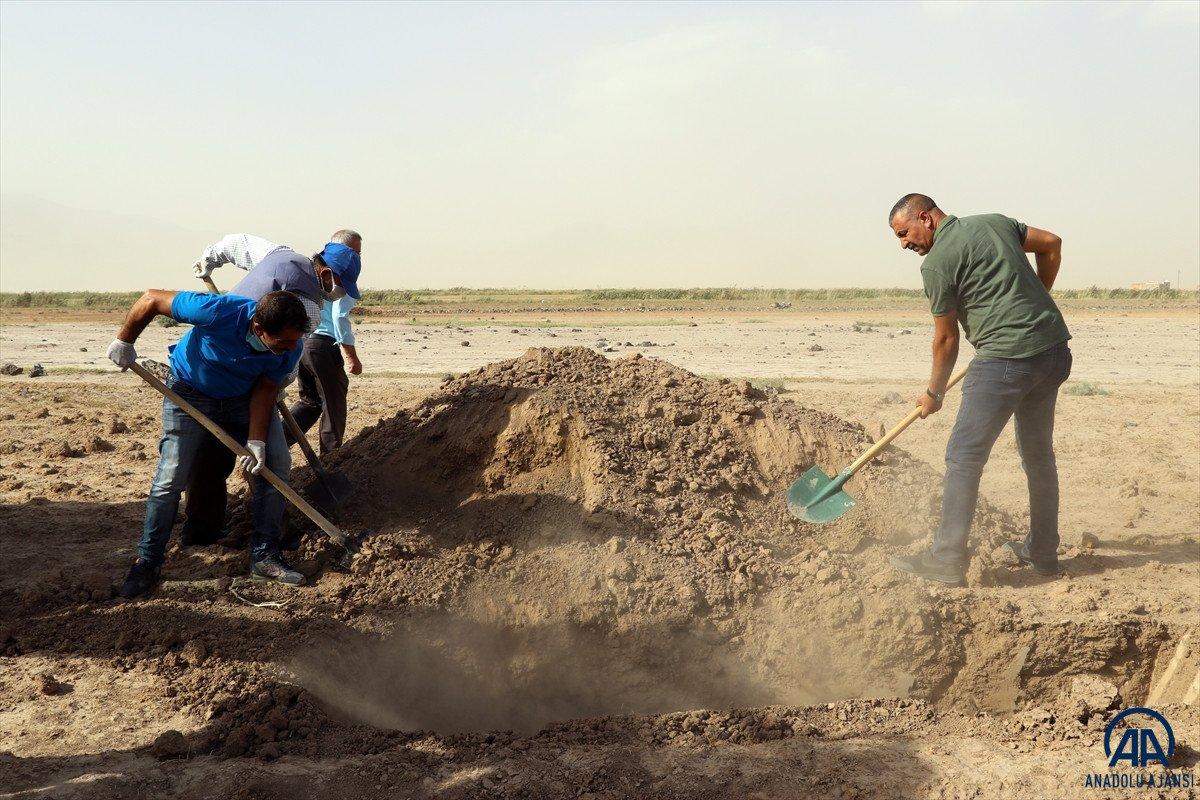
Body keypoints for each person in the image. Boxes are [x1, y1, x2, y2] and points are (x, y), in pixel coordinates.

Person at [885, 194, 1071, 585]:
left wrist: (934, 393)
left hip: (1005, 361)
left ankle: (946, 561)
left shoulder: (936, 264)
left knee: (963, 458)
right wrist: (1035, 296)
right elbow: (1052, 243)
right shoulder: (995, 222)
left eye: (904, 233)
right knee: (1038, 455)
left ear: (926, 218)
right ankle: (1043, 554)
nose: (903, 244)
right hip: (1052, 352)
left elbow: (945, 340)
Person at [106, 289, 311, 598]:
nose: (291, 348)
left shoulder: (290, 348)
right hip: (189, 394)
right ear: (258, 329)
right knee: (170, 479)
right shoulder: (216, 311)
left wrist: (256, 441)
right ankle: (147, 562)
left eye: (295, 341)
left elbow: (266, 388)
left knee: (277, 465)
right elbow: (151, 300)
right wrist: (125, 340)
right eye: (282, 341)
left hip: (244, 398)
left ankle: (265, 556)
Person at [181, 231, 363, 544]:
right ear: (327, 274)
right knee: (268, 460)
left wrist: (210, 258)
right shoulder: (309, 307)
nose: (340, 293)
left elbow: (239, 244)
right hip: (237, 375)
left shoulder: (281, 256)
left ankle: (206, 531)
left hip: (215, 361)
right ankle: (269, 535)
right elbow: (287, 358)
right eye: (342, 286)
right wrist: (277, 387)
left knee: (219, 455)